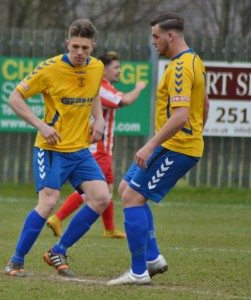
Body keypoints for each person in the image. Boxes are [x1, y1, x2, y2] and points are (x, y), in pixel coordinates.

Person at [107, 12, 209, 285]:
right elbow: (204, 105)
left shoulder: (179, 68)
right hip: (177, 144)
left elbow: (180, 116)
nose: (152, 41)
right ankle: (152, 258)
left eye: (155, 36)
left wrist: (150, 145)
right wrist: (196, 133)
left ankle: (138, 271)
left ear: (170, 36)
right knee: (126, 190)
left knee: (132, 199)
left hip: (176, 147)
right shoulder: (195, 60)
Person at [5, 19, 110, 278]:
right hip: (51, 148)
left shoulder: (96, 67)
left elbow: (94, 92)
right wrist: (41, 125)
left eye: (85, 48)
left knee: (101, 197)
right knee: (49, 201)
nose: (80, 53)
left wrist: (99, 118)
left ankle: (58, 250)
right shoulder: (50, 69)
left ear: (92, 47)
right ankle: (15, 262)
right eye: (75, 46)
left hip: (79, 150)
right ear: (67, 43)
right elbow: (14, 98)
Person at [46, 51, 146, 239]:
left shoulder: (103, 86)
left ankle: (109, 228)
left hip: (104, 150)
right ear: (104, 69)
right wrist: (139, 87)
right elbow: (125, 101)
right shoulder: (100, 87)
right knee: (91, 191)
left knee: (107, 188)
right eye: (115, 67)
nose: (119, 71)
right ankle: (57, 218)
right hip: (97, 150)